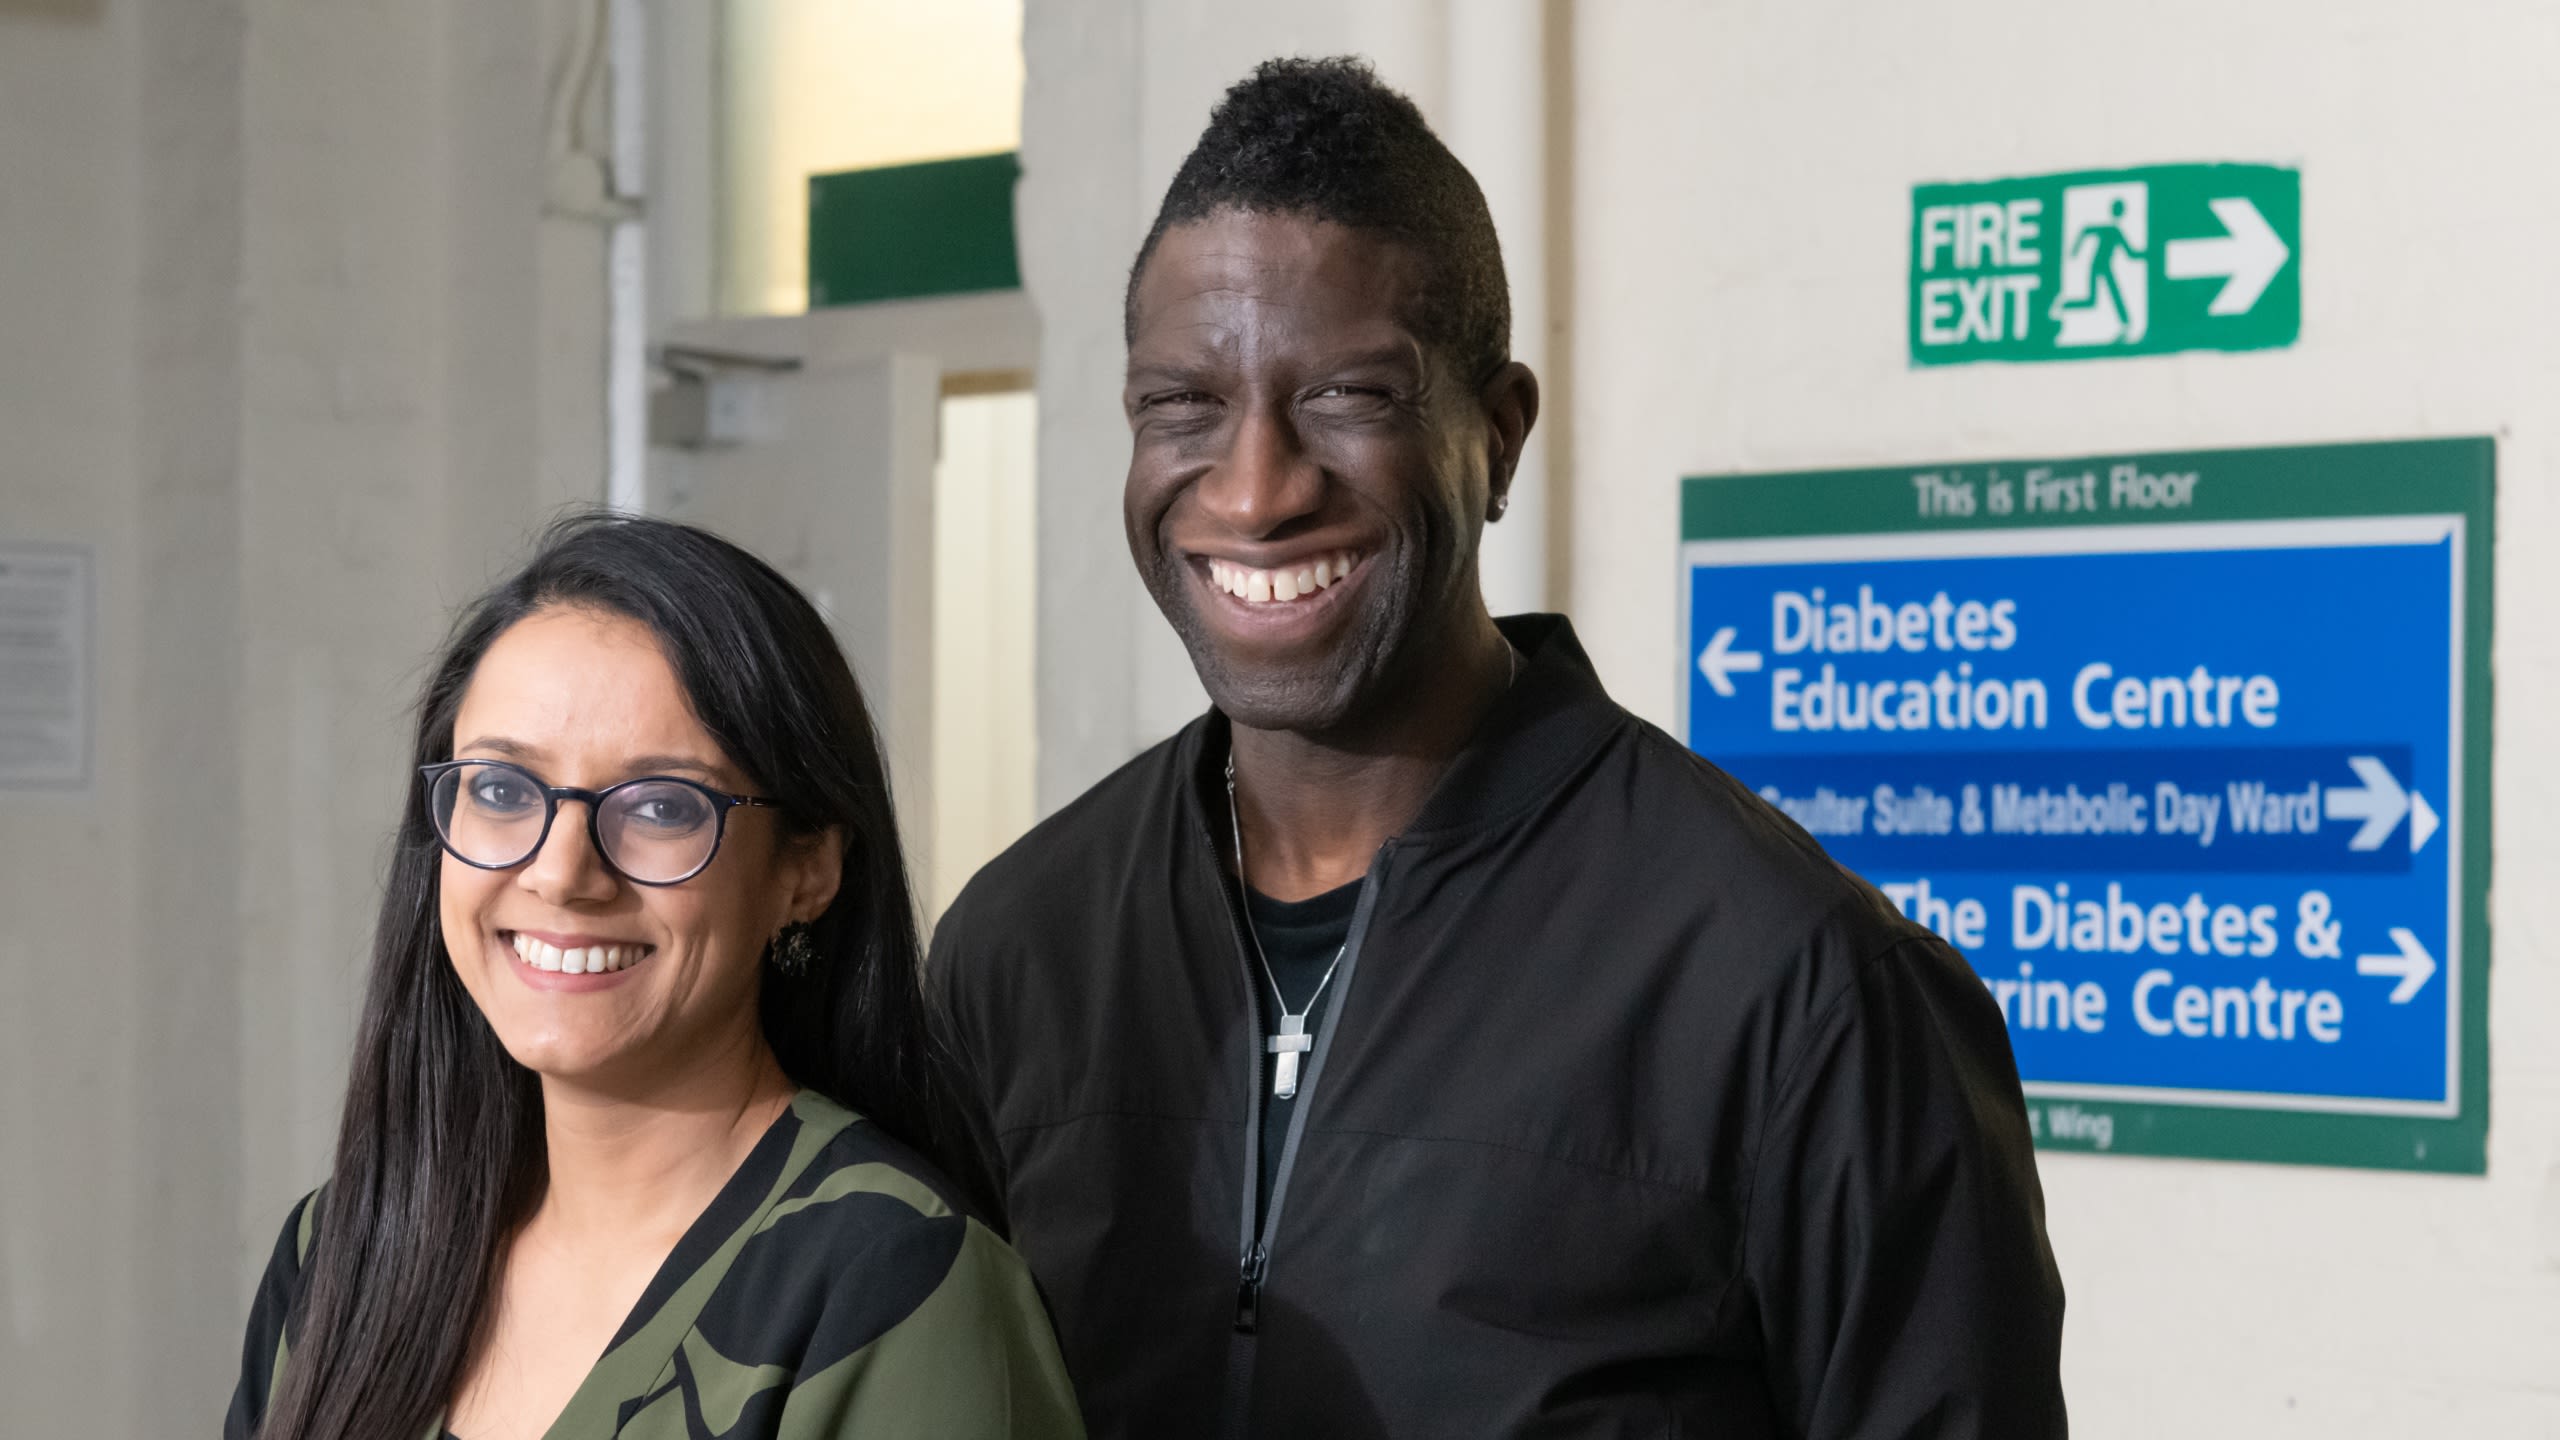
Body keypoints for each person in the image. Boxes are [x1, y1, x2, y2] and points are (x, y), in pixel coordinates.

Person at [931, 57, 2066, 1439]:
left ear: (1500, 433)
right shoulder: (1022, 951)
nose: (1253, 488)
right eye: (1183, 406)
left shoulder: (1796, 986)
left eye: (1349, 396)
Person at [226, 515, 1082, 1440]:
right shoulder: (347, 1252)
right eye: (504, 790)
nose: (561, 873)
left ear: (806, 871)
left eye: (662, 805)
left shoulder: (895, 1284)